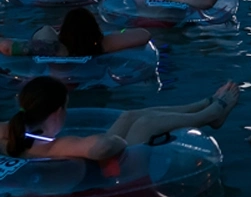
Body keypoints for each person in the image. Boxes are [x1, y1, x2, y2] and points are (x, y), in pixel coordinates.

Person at [0, 76, 238, 160]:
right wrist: (119, 141)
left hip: (84, 170)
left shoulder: (15, 131)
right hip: (112, 178)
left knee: (129, 116)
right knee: (145, 124)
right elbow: (102, 147)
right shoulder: (53, 147)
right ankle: (212, 114)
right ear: (58, 111)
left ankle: (201, 105)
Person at [0, 6, 150, 58]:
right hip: (90, 81)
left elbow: (7, 47)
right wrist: (105, 37)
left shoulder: (52, 48)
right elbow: (144, 33)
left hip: (58, 82)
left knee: (46, 30)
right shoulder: (101, 46)